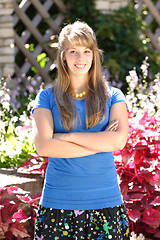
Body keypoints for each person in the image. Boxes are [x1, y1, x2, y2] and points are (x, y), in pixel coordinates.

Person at [32, 21, 129, 240]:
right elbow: (44, 146)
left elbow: (118, 142)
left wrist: (67, 137)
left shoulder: (113, 97)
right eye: (73, 51)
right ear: (63, 56)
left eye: (87, 51)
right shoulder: (46, 98)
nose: (80, 58)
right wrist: (99, 142)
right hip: (58, 205)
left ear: (94, 55)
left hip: (106, 203)